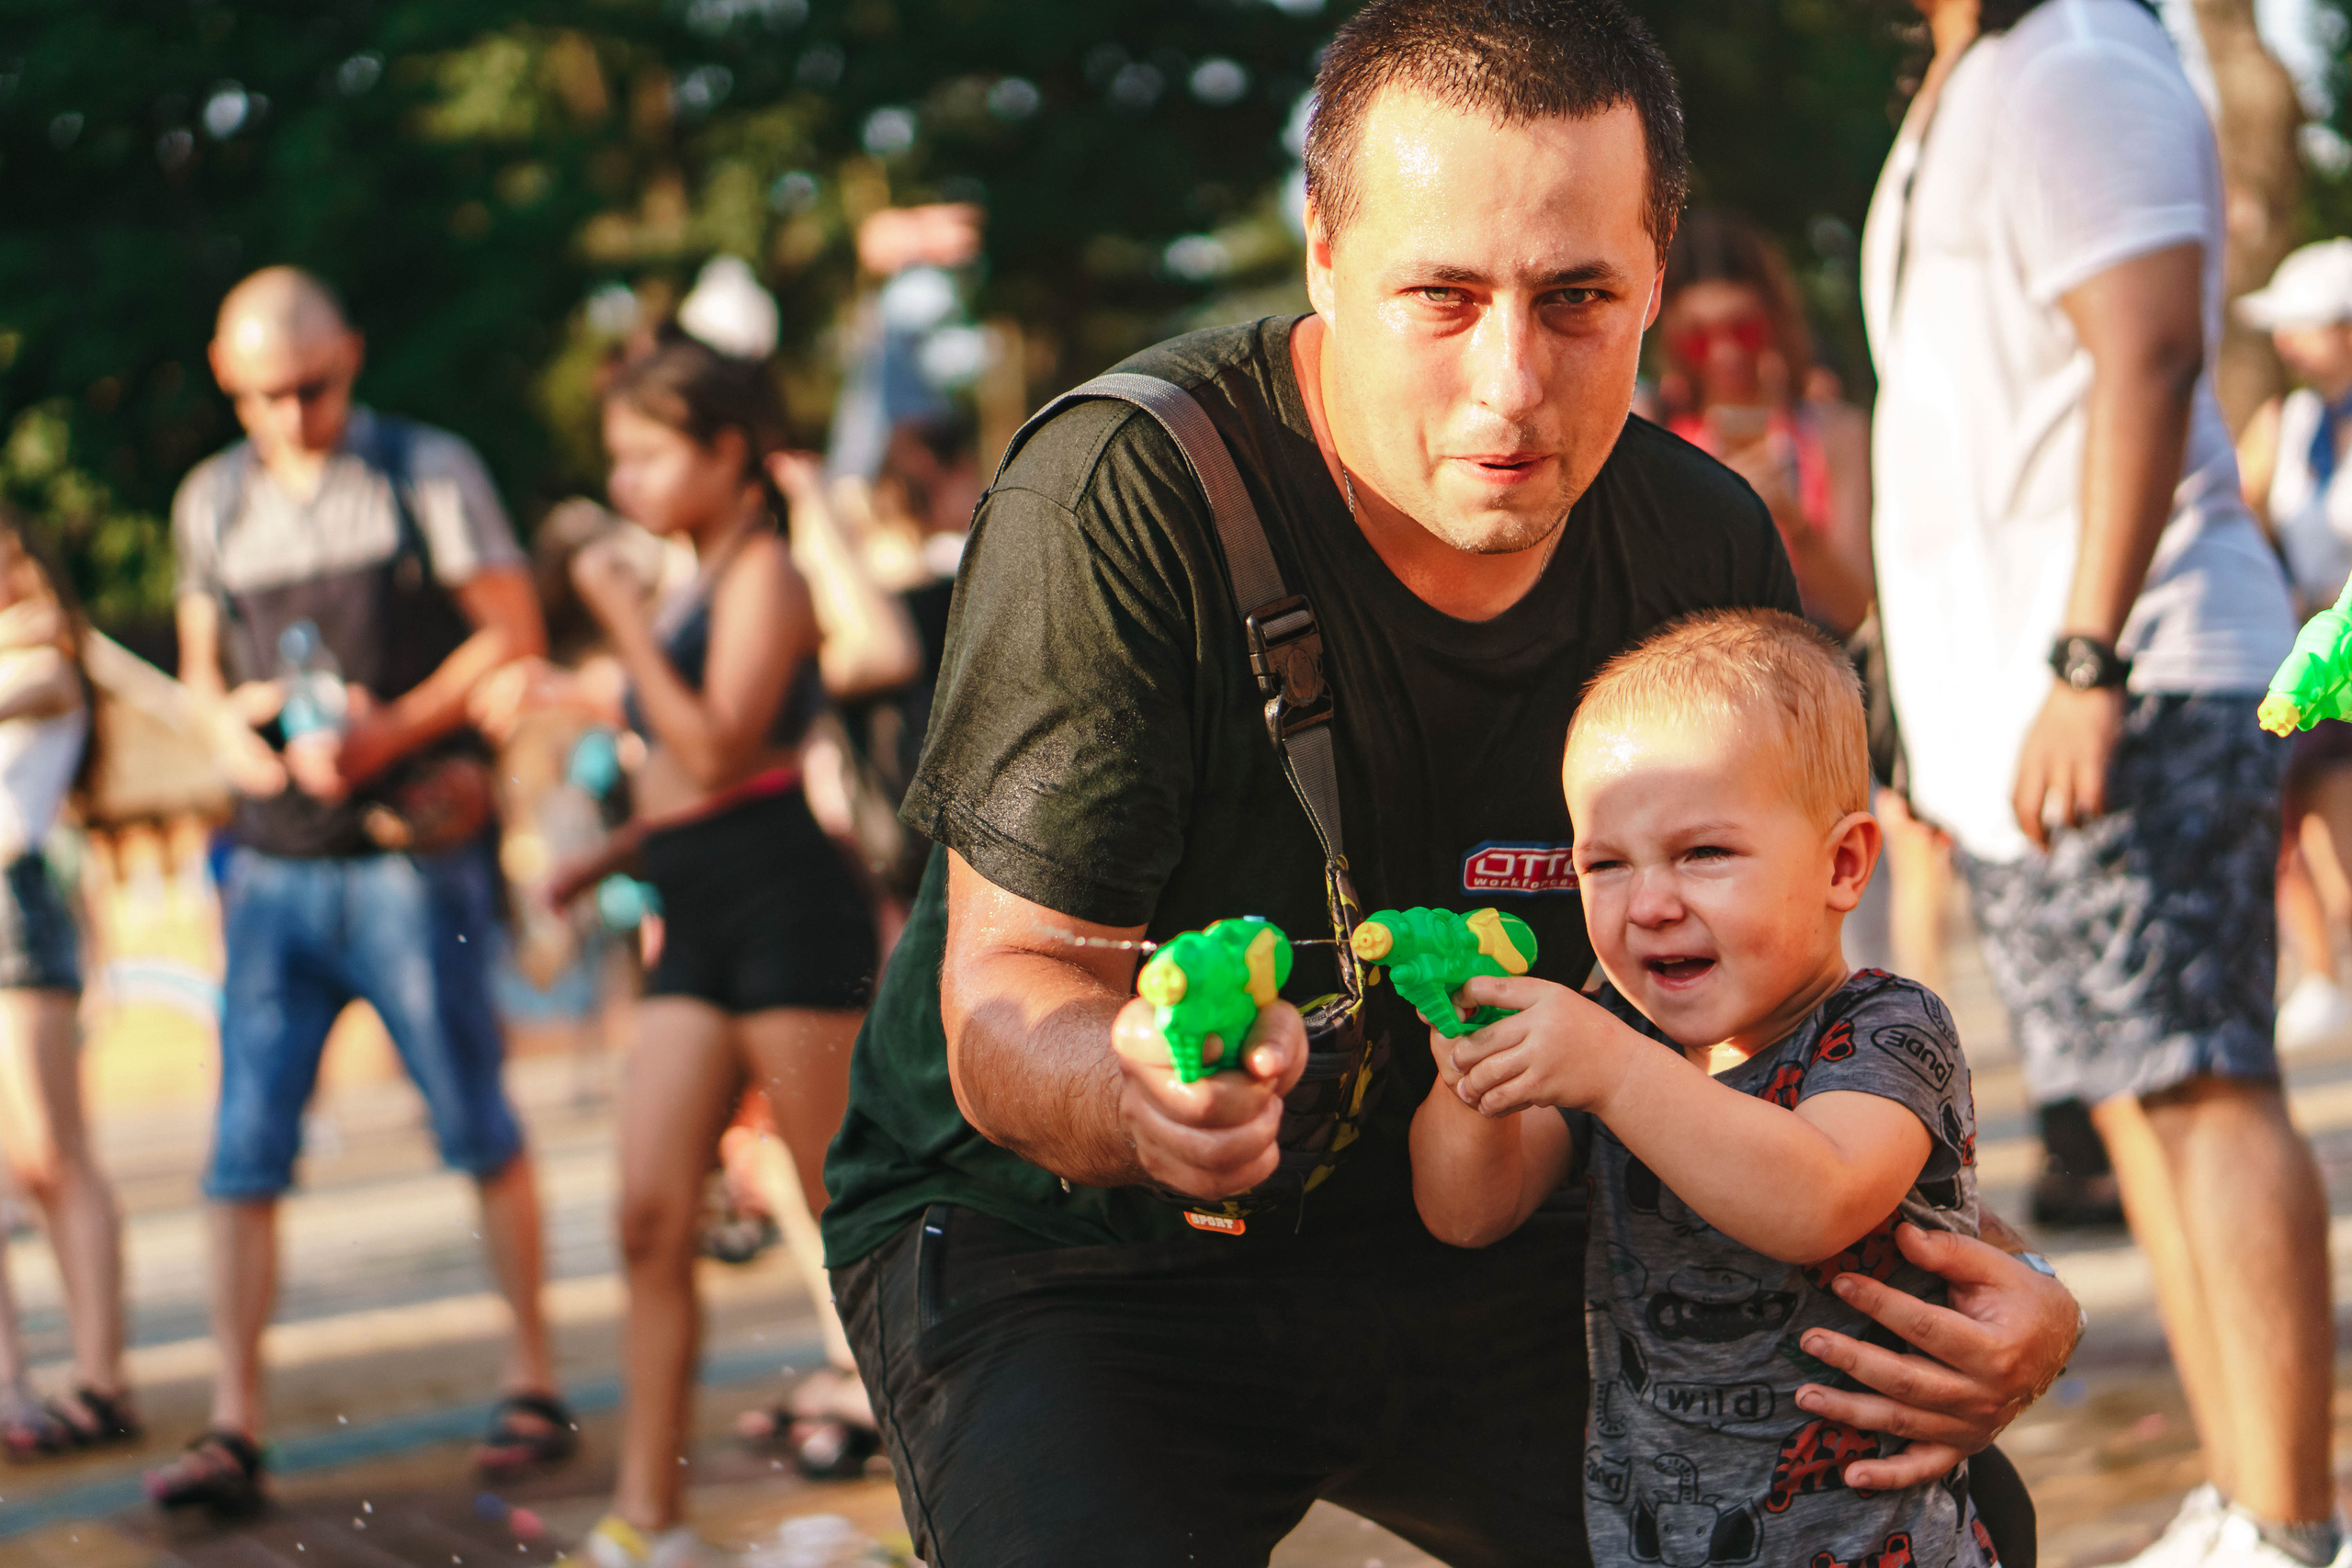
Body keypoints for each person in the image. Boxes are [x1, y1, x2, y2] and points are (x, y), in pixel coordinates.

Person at [820, 4, 2084, 1564]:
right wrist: (1146, 1090)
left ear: (1658, 282)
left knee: (1922, 1520)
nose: (1511, 386)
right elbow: (1010, 996)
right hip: (1074, 1249)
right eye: (1442, 295)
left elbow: (1779, 1032)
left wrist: (2011, 1283)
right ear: (1325, 259)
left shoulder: (1701, 552)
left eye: (1576, 299)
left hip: (1491, 1216)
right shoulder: (1123, 496)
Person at [1860, 1, 2338, 1563]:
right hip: (2017, 705)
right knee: (2137, 1101)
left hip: (2133, 666)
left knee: (2204, 1084)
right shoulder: (1968, 80)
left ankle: (2292, 1519)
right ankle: (2239, 1494)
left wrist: (2084, 660)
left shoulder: (2078, 51)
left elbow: (2147, 351)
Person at [1412, 609, 1993, 1568]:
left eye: (1703, 854)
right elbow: (1467, 1212)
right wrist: (1470, 1081)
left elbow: (1815, 1198)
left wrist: (1609, 1067)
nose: (1649, 903)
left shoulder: (1885, 1028)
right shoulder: (1625, 1035)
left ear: (1841, 864)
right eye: (1604, 864)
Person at [145, 266, 568, 1514]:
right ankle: (235, 1421)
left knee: (477, 1120)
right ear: (230, 379)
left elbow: (513, 632)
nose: (292, 415)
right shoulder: (209, 500)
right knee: (242, 1150)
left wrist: (390, 731)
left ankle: (533, 1374)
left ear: (353, 358)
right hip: (273, 866)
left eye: (313, 387)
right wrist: (236, 734)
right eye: (266, 394)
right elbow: (201, 672)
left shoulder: (423, 469)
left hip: (407, 857)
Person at [493, 337, 906, 1568]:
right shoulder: (686, 584)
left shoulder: (765, 571)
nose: (624, 480)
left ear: (726, 453)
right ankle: (649, 1516)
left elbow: (724, 748)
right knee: (645, 1214)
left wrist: (614, 623)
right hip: (695, 907)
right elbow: (686, 782)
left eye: (646, 452)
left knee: (850, 1221)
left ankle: (937, 1501)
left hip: (787, 904)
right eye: (615, 456)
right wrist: (605, 852)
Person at [0, 514, 137, 1459]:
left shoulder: (49, 666)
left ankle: (102, 1379)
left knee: (54, 1154)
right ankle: (12, 1385)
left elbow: (39, 674)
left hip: (15, 902)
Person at [1657, 209, 1874, 638]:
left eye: (1743, 329)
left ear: (1774, 322)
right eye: (1700, 336)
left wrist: (1794, 524)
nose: (1724, 353)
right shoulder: (1654, 428)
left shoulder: (1833, 432)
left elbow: (1855, 609)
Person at [2237, 239, 2352, 1052]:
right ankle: (2321, 974)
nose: (2286, 344)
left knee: (2340, 835)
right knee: (2285, 824)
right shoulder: (2292, 420)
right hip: (2305, 649)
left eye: (2304, 326)